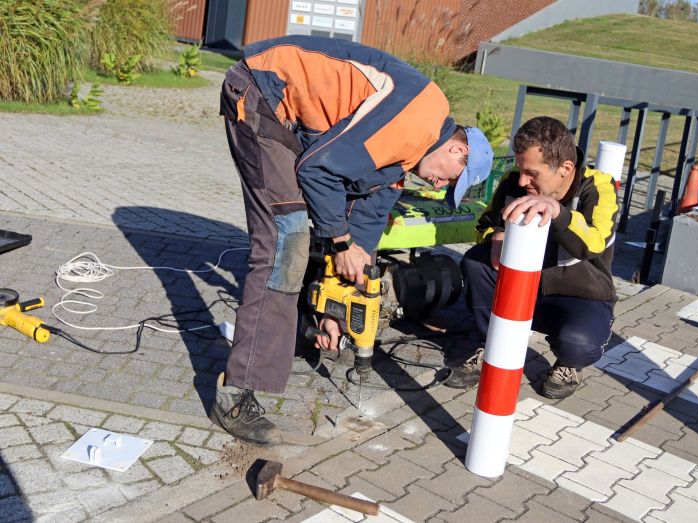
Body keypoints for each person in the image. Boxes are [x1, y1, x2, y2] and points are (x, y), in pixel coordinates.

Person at [213, 35, 493, 446]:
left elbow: (366, 226)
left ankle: (294, 329)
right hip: (262, 91)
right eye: (450, 177)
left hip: (290, 116)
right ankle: (236, 395)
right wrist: (340, 243)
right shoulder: (417, 118)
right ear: (457, 149)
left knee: (314, 238)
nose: (438, 184)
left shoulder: (406, 156)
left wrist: (337, 311)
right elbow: (318, 171)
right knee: (284, 243)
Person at [446, 116, 618, 399]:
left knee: (577, 345)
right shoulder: (515, 180)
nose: (523, 180)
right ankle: (491, 345)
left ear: (565, 168)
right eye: (521, 170)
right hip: (522, 288)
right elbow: (484, 225)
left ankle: (568, 364)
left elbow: (594, 243)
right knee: (476, 261)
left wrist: (559, 213)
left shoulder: (598, 186)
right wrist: (495, 236)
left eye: (533, 174)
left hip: (579, 294)